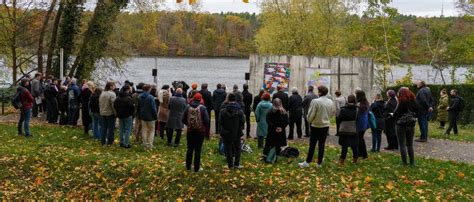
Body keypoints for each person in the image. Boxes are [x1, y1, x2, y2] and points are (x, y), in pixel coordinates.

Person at [299, 85, 334, 168]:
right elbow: (332, 113)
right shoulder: (330, 102)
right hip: (325, 126)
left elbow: (311, 114)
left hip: (315, 125)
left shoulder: (316, 101)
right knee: (322, 145)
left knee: (312, 145)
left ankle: (307, 162)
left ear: (320, 92)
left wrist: (309, 120)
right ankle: (319, 163)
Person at [183, 93, 209, 172]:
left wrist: (189, 125)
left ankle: (188, 166)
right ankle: (196, 168)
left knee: (189, 149)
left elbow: (183, 119)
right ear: (200, 99)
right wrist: (202, 126)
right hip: (200, 132)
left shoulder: (187, 107)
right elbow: (207, 120)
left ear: (193, 98)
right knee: (198, 150)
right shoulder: (203, 108)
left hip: (190, 131)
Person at [393, 87, 419, 166]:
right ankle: (412, 162)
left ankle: (404, 163)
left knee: (402, 145)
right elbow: (418, 112)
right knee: (410, 145)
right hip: (411, 125)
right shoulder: (414, 102)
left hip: (401, 125)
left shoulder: (402, 102)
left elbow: (395, 114)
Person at [219, 93, 245, 169]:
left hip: (226, 131)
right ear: (235, 100)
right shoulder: (239, 110)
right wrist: (241, 128)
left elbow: (220, 122)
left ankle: (230, 164)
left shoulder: (223, 110)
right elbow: (242, 121)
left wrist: (220, 131)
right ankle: (237, 163)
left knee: (228, 148)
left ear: (228, 99)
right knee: (238, 148)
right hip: (237, 131)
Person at [336, 95, 359, 165]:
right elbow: (357, 119)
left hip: (344, 129)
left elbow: (339, 119)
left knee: (344, 146)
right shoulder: (357, 109)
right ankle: (355, 159)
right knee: (354, 145)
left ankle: (342, 160)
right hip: (353, 129)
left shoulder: (343, 109)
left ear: (347, 101)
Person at [138, 84, 158, 149]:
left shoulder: (139, 96)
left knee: (144, 130)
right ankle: (150, 144)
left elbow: (138, 107)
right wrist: (155, 116)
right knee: (152, 130)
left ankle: (144, 144)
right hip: (150, 116)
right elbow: (153, 108)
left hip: (142, 116)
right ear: (149, 89)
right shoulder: (151, 97)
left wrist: (139, 115)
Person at [355, 90, 370, 159]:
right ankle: (361, 153)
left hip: (360, 123)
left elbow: (357, 115)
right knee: (360, 138)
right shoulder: (366, 103)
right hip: (364, 122)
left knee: (359, 139)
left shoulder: (360, 104)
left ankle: (363, 154)